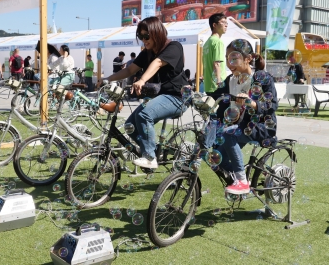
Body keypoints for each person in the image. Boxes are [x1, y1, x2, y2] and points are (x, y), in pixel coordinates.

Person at [99, 16, 189, 169]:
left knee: (143, 114)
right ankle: (151, 151)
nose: (143, 40)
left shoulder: (174, 47)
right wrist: (108, 79)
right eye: (140, 36)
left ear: (157, 33)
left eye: (146, 36)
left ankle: (149, 157)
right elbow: (129, 70)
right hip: (161, 96)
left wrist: (142, 80)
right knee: (129, 125)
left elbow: (158, 62)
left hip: (178, 97)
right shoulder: (147, 52)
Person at [207, 39, 277, 195]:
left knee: (228, 133)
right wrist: (199, 99)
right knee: (214, 158)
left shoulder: (262, 78)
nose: (229, 63)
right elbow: (217, 99)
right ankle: (240, 183)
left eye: (233, 58)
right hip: (239, 126)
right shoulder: (230, 80)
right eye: (226, 58)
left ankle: (242, 182)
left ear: (248, 58)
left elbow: (272, 106)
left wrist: (252, 103)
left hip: (261, 126)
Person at [203, 13, 228, 93]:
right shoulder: (218, 42)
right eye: (223, 22)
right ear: (214, 25)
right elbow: (217, 64)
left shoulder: (207, 43)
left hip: (208, 86)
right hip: (217, 86)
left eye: (226, 23)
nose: (226, 25)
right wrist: (219, 83)